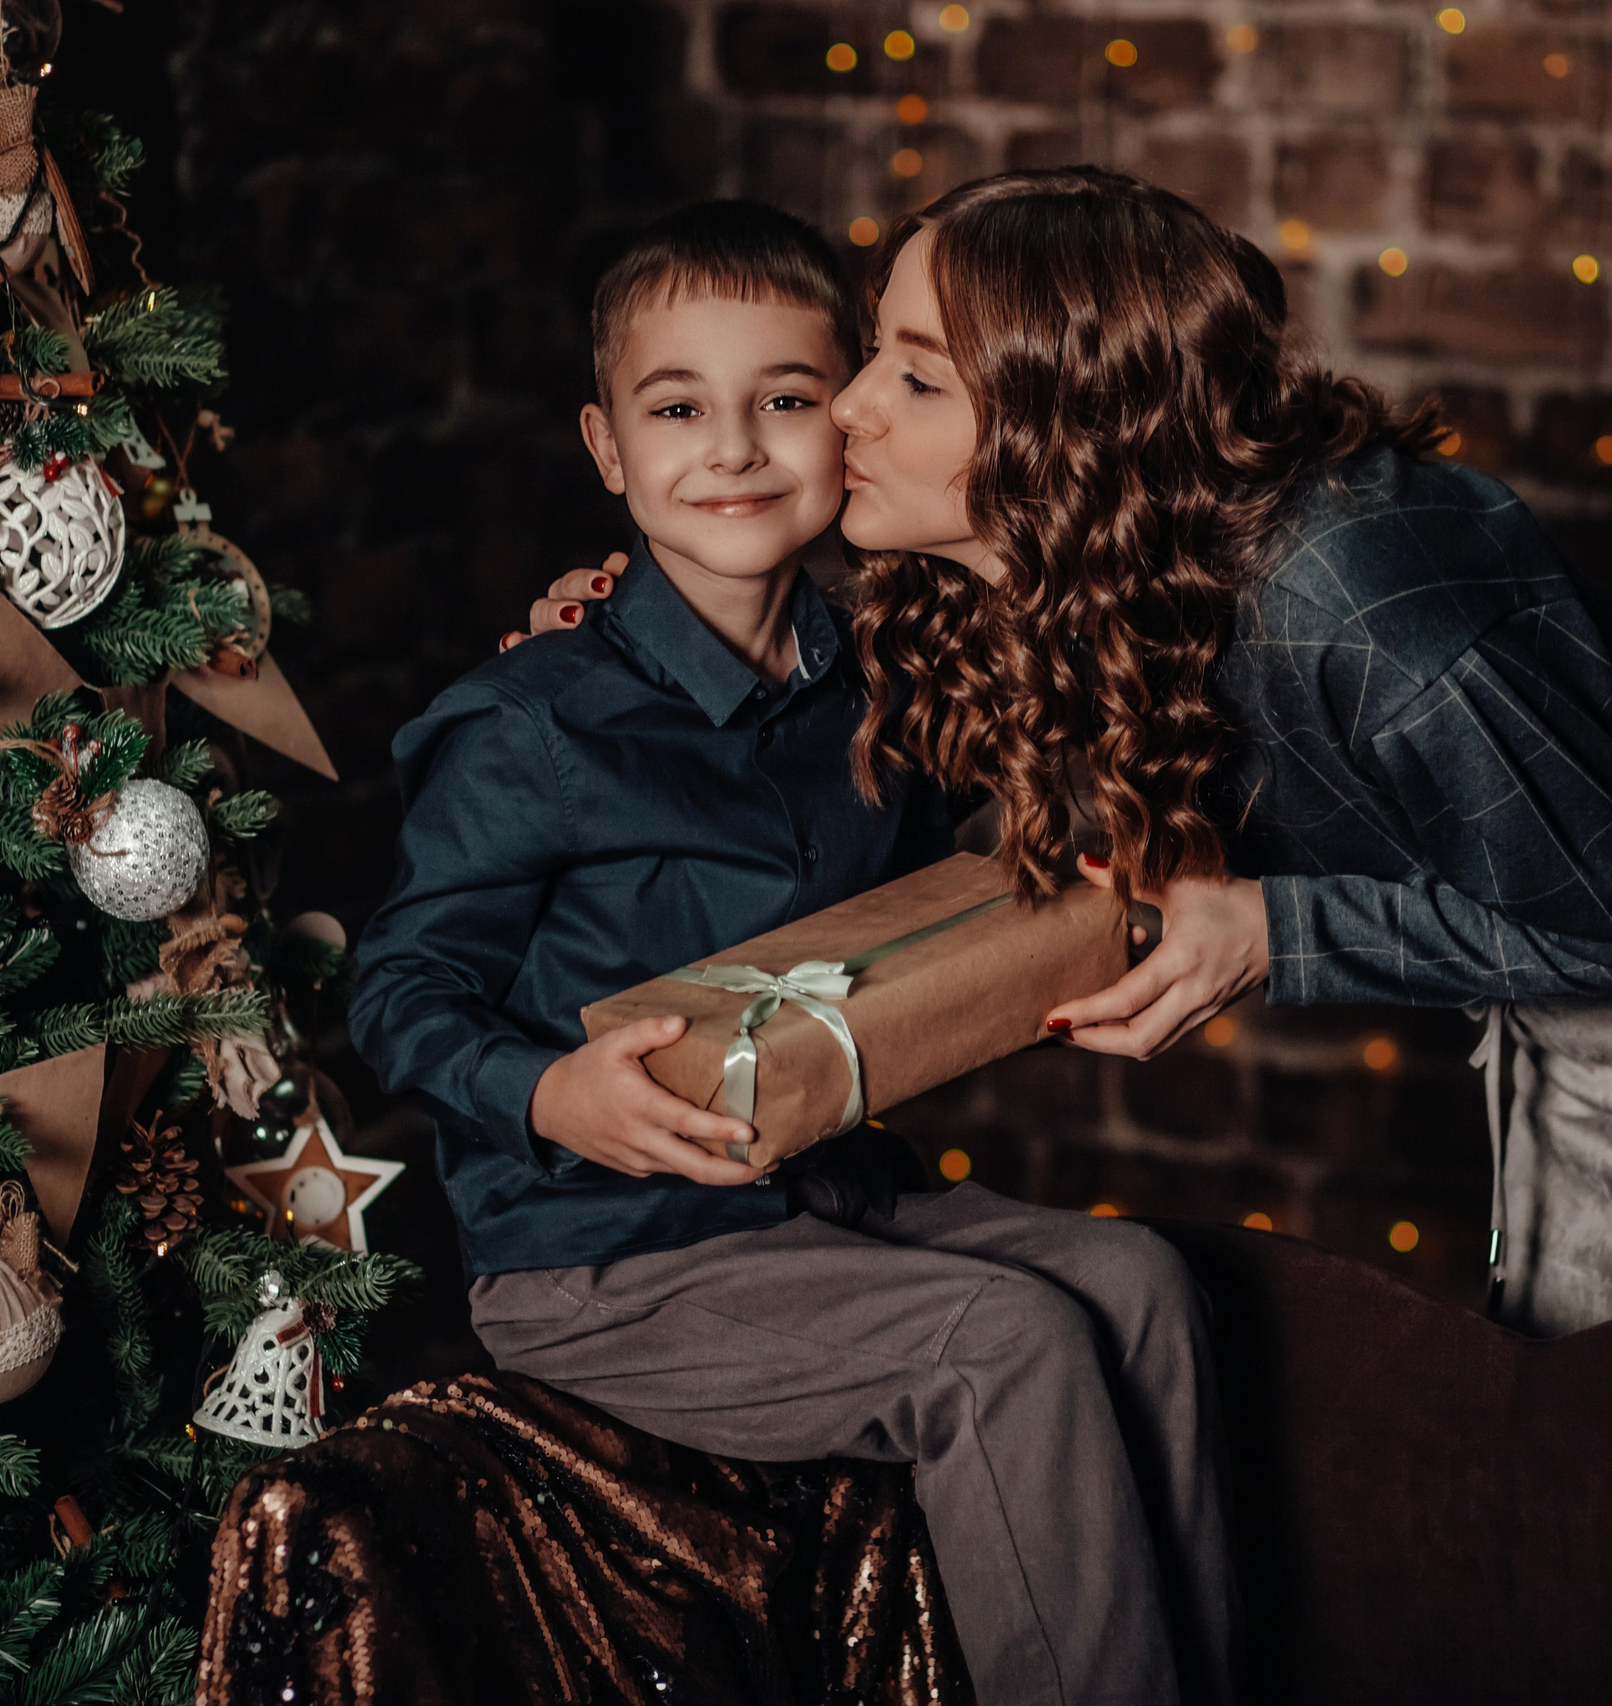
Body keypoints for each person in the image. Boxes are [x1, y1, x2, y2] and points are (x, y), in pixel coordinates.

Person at [523, 168, 1612, 1339]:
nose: (845, 405)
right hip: (1575, 972)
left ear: (1061, 436)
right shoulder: (1082, 555)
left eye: (914, 378)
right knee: (1590, 1429)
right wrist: (641, 658)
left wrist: (1266, 930)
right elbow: (891, 786)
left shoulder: (1363, 606)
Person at [351, 200, 1238, 1706]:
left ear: (851, 431)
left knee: (1143, 1276)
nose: (737, 449)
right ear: (606, 449)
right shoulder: (532, 720)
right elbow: (395, 991)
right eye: (678, 407)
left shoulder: (880, 673)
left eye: (786, 400)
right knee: (1004, 1343)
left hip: (825, 1199)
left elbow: (974, 872)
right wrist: (550, 1091)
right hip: (602, 1256)